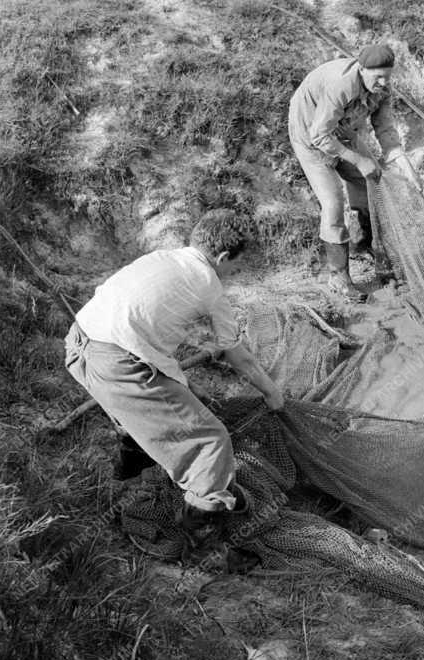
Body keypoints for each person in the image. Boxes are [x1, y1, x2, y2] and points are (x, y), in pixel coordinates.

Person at [64, 209, 285, 533]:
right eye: (237, 265)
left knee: (153, 411)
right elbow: (239, 357)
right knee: (211, 442)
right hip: (117, 366)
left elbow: (146, 340)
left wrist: (187, 388)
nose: (235, 271)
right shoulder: (209, 285)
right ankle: (198, 532)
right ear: (223, 256)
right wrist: (271, 392)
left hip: (77, 345)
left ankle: (128, 480)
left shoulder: (162, 258)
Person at [288, 44, 404, 303]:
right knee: (333, 203)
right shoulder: (341, 85)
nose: (384, 82)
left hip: (343, 130)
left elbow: (384, 128)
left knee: (372, 180)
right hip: (310, 134)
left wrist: (400, 158)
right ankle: (339, 277)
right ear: (362, 70)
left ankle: (363, 242)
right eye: (378, 76)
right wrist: (356, 159)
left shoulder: (383, 88)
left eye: (388, 75)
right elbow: (319, 134)